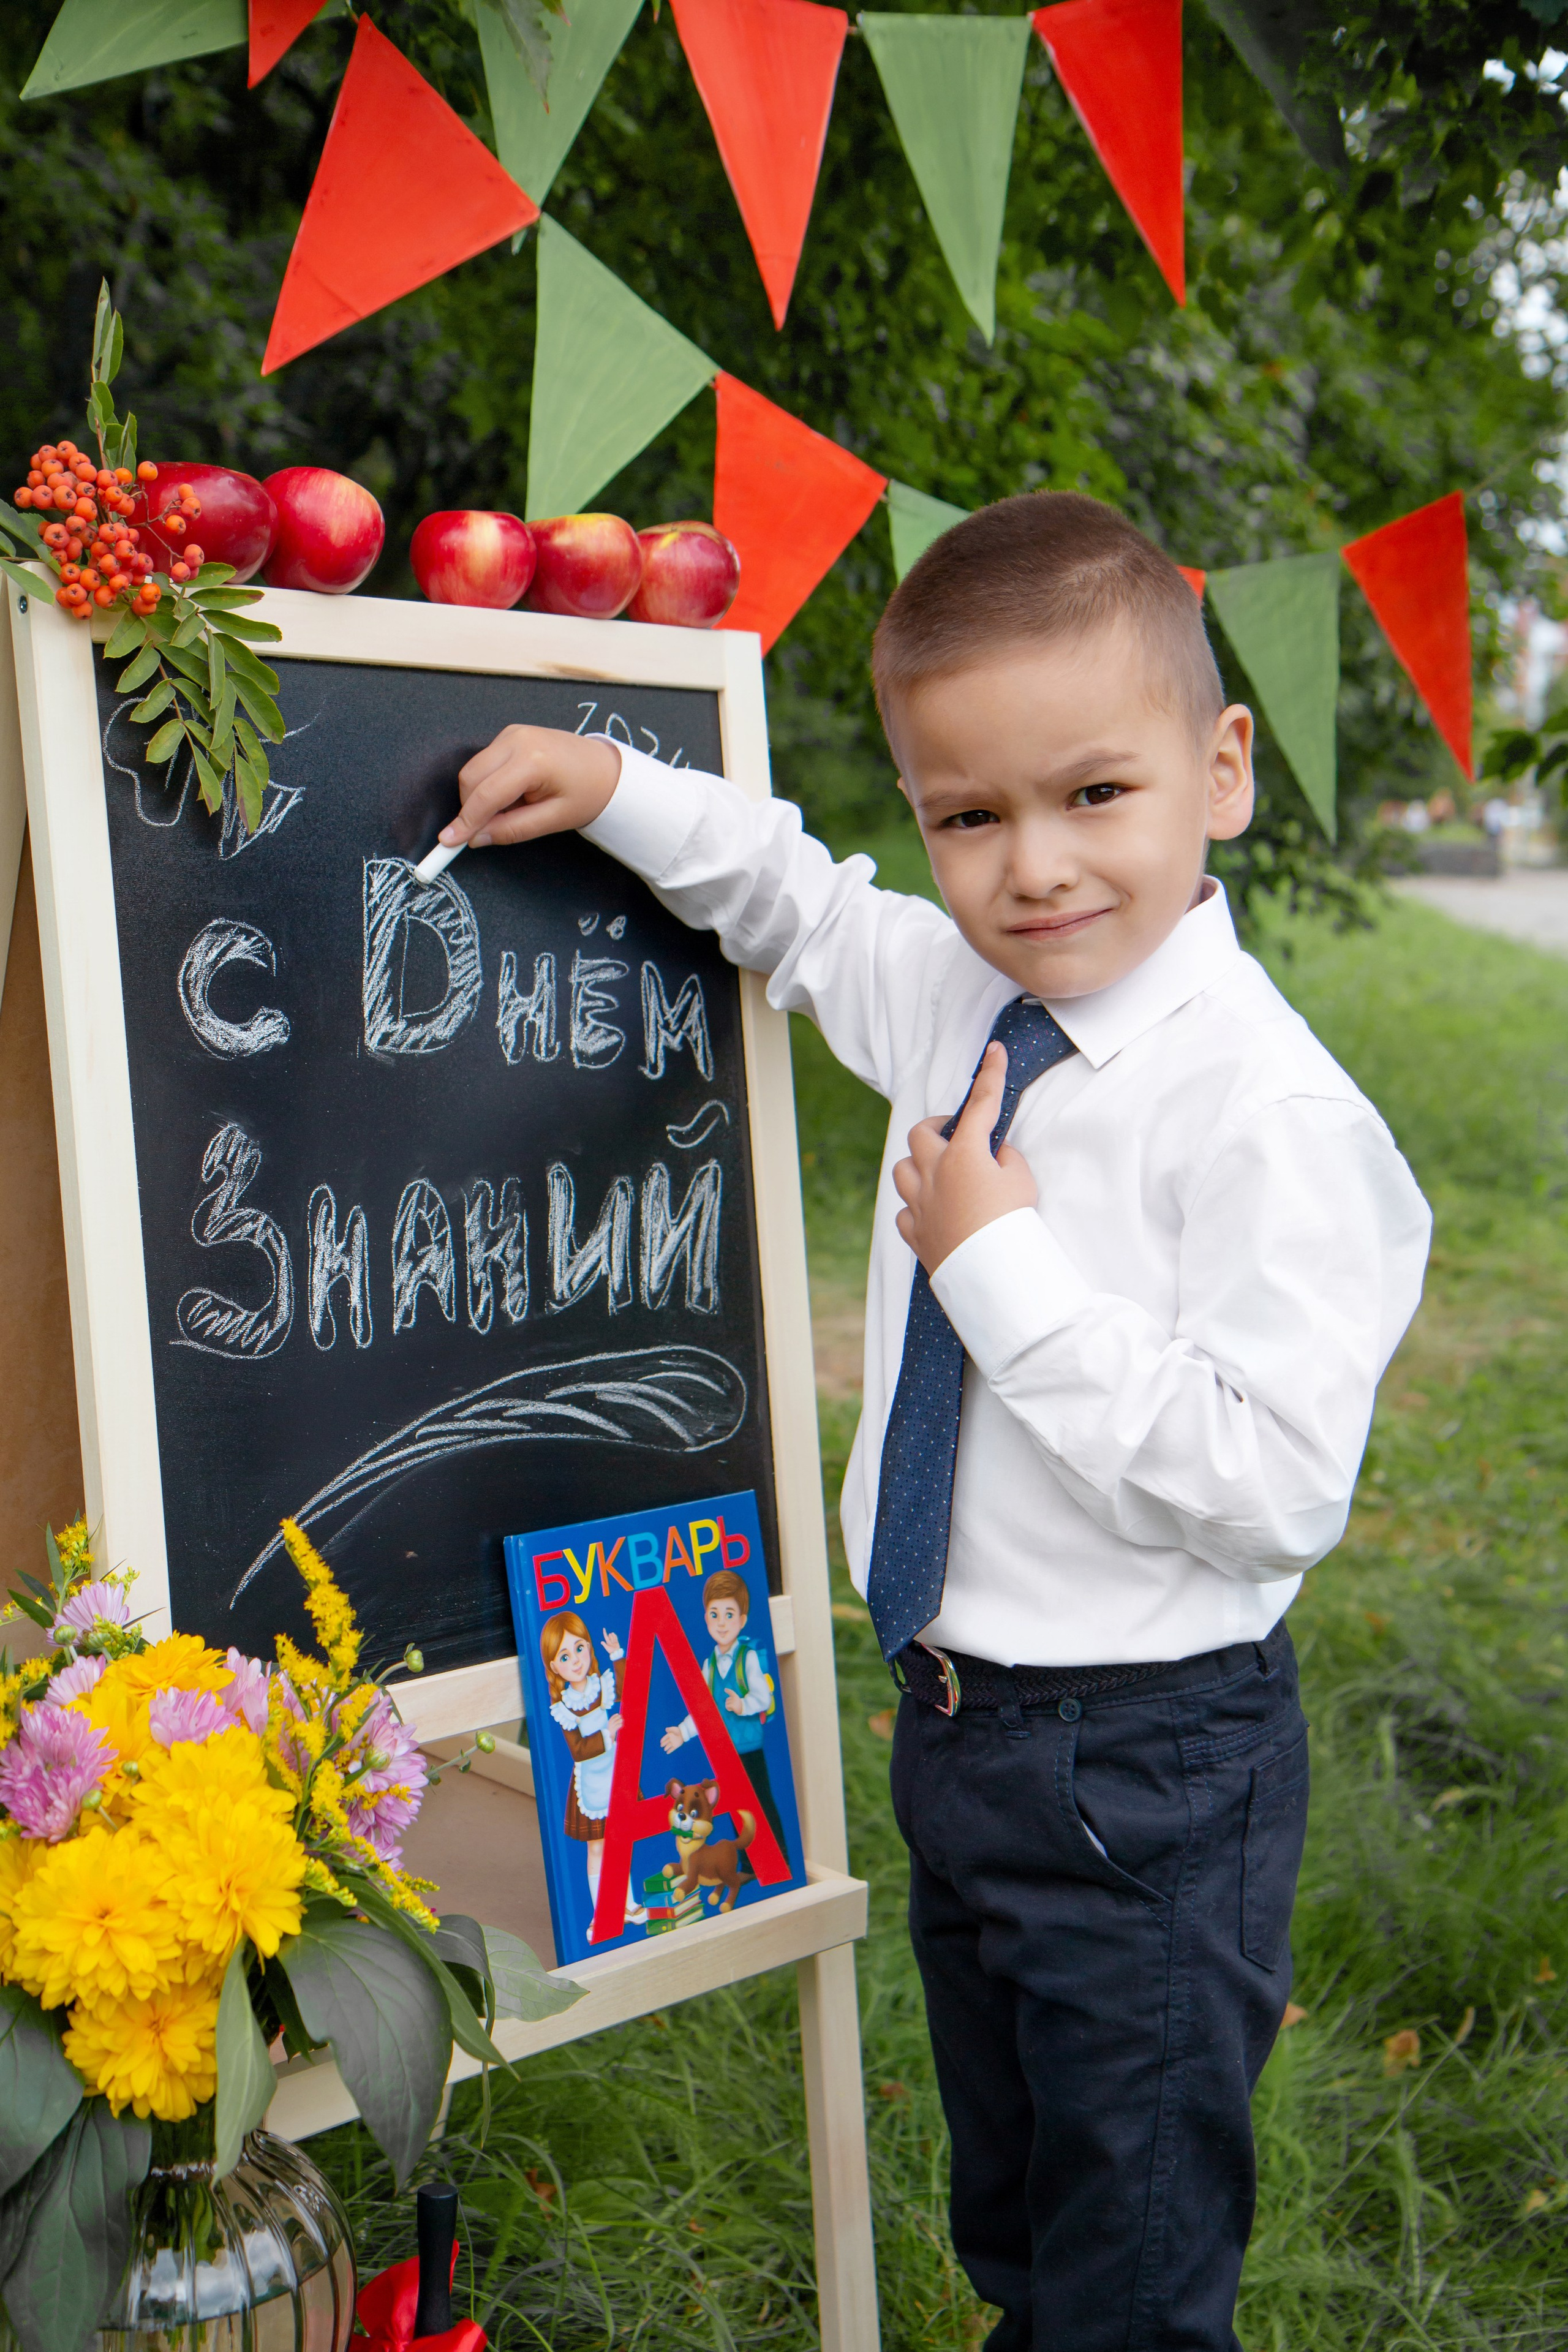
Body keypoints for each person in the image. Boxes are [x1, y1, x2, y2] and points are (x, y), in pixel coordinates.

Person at [439, 492, 1431, 2352]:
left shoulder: (1269, 1117)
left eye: (1091, 795)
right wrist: (616, 785)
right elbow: (802, 909)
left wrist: (1000, 1267)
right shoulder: (970, 996)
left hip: (1150, 1758)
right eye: (968, 815)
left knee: (1133, 2238)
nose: (1032, 866)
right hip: (965, 1725)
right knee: (1022, 2197)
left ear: (1220, 771)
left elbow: (1268, 1480)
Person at [659, 1566, 789, 1855]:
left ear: (742, 1620)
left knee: (761, 1800)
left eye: (729, 1615)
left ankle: (778, 1856)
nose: (721, 1623)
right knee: (735, 1808)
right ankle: (746, 1863)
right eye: (715, 1614)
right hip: (724, 1751)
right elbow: (702, 1709)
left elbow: (763, 1696)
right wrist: (683, 1732)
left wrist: (743, 1705)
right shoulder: (710, 1666)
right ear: (706, 1618)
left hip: (749, 1747)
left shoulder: (748, 1657)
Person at [538, 1612, 647, 1935]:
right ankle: (602, 1913)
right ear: (555, 1667)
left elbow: (629, 1694)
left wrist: (618, 1656)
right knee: (597, 1848)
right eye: (565, 1656)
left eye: (580, 1648)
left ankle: (627, 1903)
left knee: (621, 1840)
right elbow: (578, 1751)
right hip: (590, 1783)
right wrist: (608, 1735)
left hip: (615, 1774)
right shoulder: (565, 1707)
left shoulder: (601, 1686)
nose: (575, 1661)